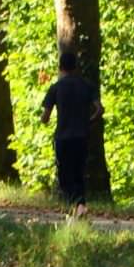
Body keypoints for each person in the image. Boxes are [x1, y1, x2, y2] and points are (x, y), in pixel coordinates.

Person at [39, 55, 103, 208]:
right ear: (76, 67)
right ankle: (80, 204)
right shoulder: (87, 86)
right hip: (82, 136)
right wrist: (89, 121)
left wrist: (44, 118)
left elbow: (45, 117)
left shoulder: (55, 88)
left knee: (64, 173)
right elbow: (99, 109)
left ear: (60, 67)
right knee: (79, 171)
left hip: (63, 137)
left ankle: (72, 205)